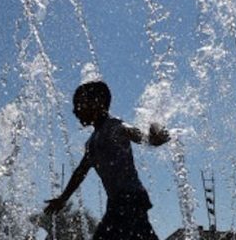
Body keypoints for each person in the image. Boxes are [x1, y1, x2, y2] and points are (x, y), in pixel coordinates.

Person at [37, 81, 170, 240]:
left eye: (79, 104)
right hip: (118, 201)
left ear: (97, 104)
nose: (75, 110)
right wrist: (63, 198)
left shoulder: (116, 126)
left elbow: (139, 136)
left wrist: (153, 139)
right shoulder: (92, 142)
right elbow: (80, 171)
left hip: (129, 199)